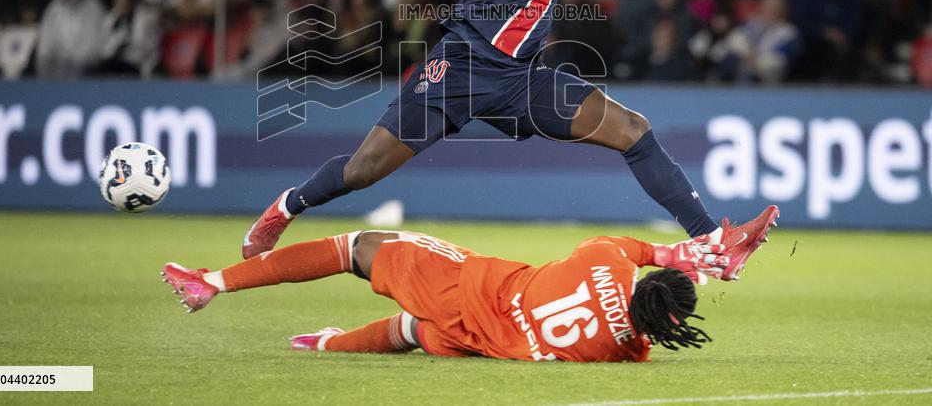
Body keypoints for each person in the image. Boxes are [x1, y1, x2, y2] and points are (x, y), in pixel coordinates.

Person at [244, 0, 777, 279]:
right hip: (463, 68)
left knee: (633, 130)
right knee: (363, 171)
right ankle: (285, 207)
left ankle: (713, 242)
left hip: (522, 79)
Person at [162, 217, 776, 361]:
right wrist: (704, 270)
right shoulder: (627, 351)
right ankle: (324, 346)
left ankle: (214, 282)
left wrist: (700, 255)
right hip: (479, 340)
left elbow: (648, 254)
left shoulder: (607, 261)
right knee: (410, 333)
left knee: (354, 247)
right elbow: (654, 311)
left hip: (468, 286)